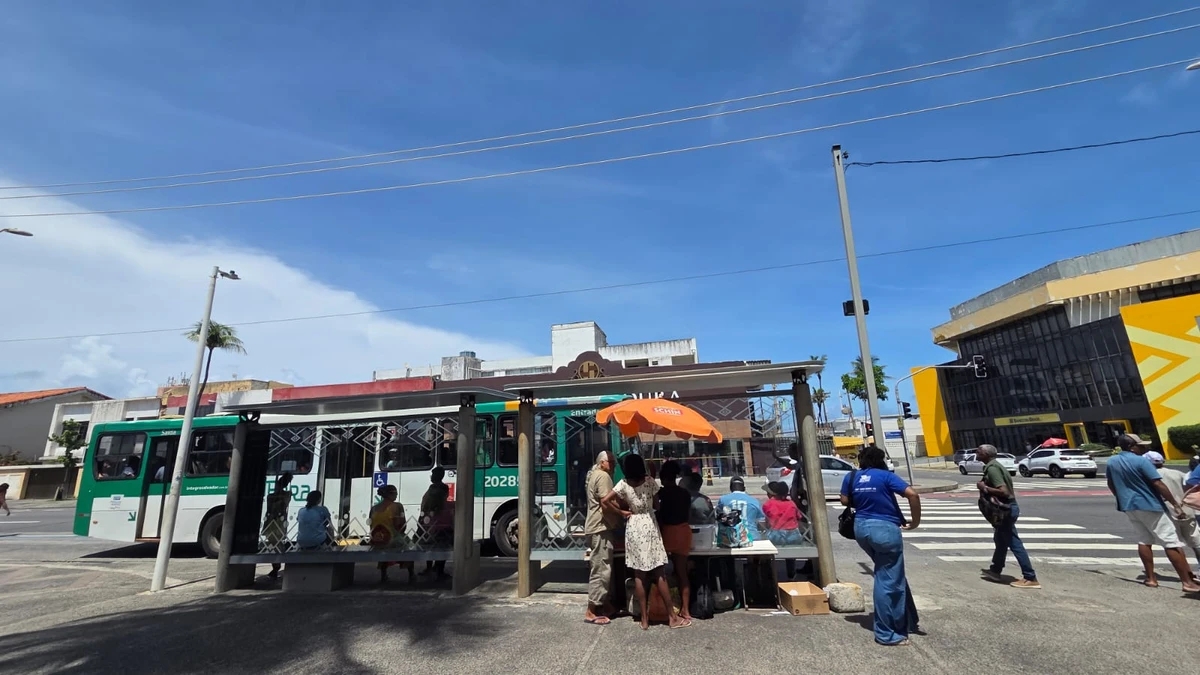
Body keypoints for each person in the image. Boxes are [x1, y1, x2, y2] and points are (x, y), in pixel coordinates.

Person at [841, 445, 922, 647]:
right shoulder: (885, 476)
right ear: (881, 460)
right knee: (887, 580)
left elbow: (844, 500)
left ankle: (908, 619)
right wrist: (915, 521)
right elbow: (912, 494)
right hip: (885, 530)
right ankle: (887, 633)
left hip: (861, 529)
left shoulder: (852, 477)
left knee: (892, 574)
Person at [601, 454, 689, 630]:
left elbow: (605, 500)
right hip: (649, 524)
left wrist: (622, 512)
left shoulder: (623, 484)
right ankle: (672, 617)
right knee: (659, 572)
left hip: (633, 525)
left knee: (639, 574)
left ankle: (644, 619)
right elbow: (657, 506)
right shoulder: (649, 481)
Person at [1106, 434, 1199, 592]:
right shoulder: (1141, 460)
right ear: (1132, 447)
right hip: (1149, 504)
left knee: (1144, 540)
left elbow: (1111, 483)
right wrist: (1175, 504)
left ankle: (1151, 578)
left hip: (1129, 506)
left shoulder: (1112, 461)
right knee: (1171, 541)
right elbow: (1158, 483)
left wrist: (1120, 497)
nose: (1144, 448)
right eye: (1141, 445)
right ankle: (1187, 582)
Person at [975, 445, 1040, 589]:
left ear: (985, 454)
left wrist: (984, 487)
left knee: (1014, 542)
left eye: (979, 451)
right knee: (1000, 540)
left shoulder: (992, 468)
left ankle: (1030, 577)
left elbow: (1003, 491)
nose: (976, 452)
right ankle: (995, 570)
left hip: (1006, 510)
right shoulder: (993, 466)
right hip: (1006, 509)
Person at [1145, 451, 1200, 567]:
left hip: (1168, 513)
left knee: (1175, 544)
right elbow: (1189, 487)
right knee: (1196, 542)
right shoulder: (1178, 473)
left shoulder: (1150, 477)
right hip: (1187, 510)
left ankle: (1186, 572)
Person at [584, 450, 619, 625]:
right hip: (601, 527)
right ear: (602, 462)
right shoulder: (604, 477)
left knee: (600, 566)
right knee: (601, 569)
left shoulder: (593, 475)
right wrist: (622, 512)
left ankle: (604, 605)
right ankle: (591, 610)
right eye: (610, 462)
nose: (613, 465)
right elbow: (607, 502)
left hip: (595, 526)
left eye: (614, 462)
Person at [656, 460, 694, 622]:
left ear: (663, 477)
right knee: (682, 573)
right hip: (684, 531)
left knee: (660, 573)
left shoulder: (661, 494)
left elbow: (658, 514)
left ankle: (666, 609)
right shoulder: (684, 493)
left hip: (666, 532)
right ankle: (685, 609)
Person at [371, 484, 415, 583]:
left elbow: (371, 526)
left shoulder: (373, 508)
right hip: (391, 539)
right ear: (391, 494)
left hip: (376, 541)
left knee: (384, 543)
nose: (397, 495)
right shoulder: (397, 506)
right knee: (408, 545)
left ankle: (383, 574)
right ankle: (411, 574)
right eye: (396, 493)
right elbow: (401, 526)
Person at [761, 481, 803, 579]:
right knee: (791, 555)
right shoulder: (792, 504)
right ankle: (791, 573)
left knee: (765, 543)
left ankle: (770, 572)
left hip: (776, 536)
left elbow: (767, 522)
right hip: (794, 536)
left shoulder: (768, 504)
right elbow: (799, 517)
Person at [419, 467, 452, 580]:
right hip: (439, 520)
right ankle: (437, 569)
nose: (431, 477)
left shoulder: (436, 488)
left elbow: (429, 503)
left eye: (433, 474)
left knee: (433, 546)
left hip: (434, 520)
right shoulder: (441, 487)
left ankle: (434, 569)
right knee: (439, 546)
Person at [262, 472, 293, 580]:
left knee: (275, 544)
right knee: (276, 544)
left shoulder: (273, 496)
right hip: (277, 521)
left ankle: (276, 567)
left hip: (274, 521)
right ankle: (276, 567)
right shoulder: (286, 495)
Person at [717, 476, 767, 541]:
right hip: (752, 537)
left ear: (731, 488)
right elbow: (762, 522)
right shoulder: (754, 501)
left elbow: (719, 518)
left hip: (731, 538)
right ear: (744, 488)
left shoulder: (723, 499)